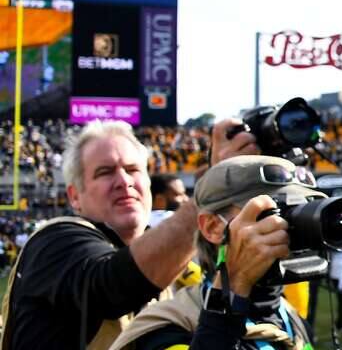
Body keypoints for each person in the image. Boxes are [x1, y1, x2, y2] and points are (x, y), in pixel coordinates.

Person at [0, 117, 257, 350]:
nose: (124, 181)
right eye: (105, 172)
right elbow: (113, 285)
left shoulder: (174, 269)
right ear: (75, 196)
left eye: (133, 169)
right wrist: (217, 186)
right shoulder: (55, 242)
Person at [109, 155, 314, 350]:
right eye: (273, 212)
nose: (286, 226)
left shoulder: (287, 315)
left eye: (295, 211)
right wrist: (235, 282)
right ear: (213, 227)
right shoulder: (170, 325)